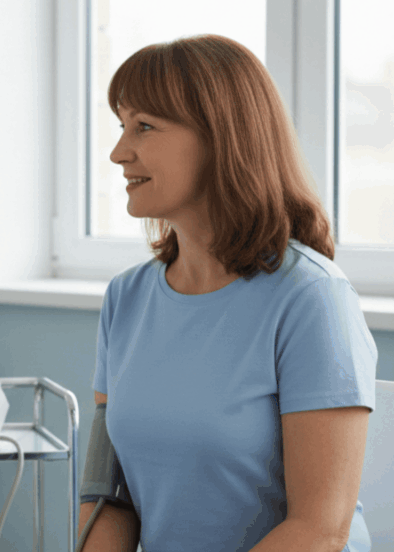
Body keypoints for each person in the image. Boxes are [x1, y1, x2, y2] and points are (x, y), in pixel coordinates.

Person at [79, 35, 376, 552]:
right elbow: (108, 493)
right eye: (122, 126)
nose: (118, 152)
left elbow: (320, 531)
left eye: (144, 126)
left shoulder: (313, 299)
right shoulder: (125, 298)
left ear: (221, 138)